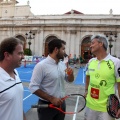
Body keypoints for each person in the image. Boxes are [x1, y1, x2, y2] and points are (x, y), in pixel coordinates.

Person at [29, 39, 74, 120]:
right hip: (47, 107)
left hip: (61, 104)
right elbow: (33, 87)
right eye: (63, 49)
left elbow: (69, 80)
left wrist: (71, 75)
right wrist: (51, 99)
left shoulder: (62, 65)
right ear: (56, 50)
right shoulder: (41, 66)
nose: (64, 52)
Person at [84, 34, 120, 120]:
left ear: (101, 44)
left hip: (107, 108)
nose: (90, 45)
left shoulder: (115, 62)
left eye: (93, 43)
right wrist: (86, 90)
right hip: (90, 106)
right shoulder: (91, 62)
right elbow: (87, 76)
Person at [0, 37, 26, 120]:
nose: (23, 57)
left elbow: (17, 104)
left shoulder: (15, 73)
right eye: (20, 53)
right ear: (7, 55)